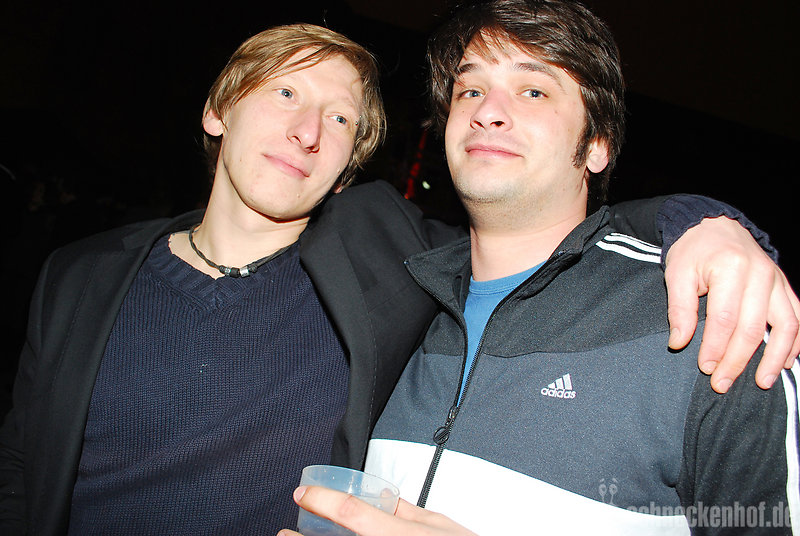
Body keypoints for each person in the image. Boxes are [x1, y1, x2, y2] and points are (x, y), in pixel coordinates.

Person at [0, 20, 796, 536]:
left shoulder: (386, 264)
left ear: (350, 167)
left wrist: (708, 221)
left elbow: (560, 234)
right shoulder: (80, 275)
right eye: (285, 92)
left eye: (340, 118)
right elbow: (22, 469)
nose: (306, 130)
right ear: (218, 110)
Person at [282, 2, 800, 535]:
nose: (488, 111)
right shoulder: (402, 309)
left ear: (596, 145)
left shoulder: (713, 324)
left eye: (533, 91)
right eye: (470, 90)